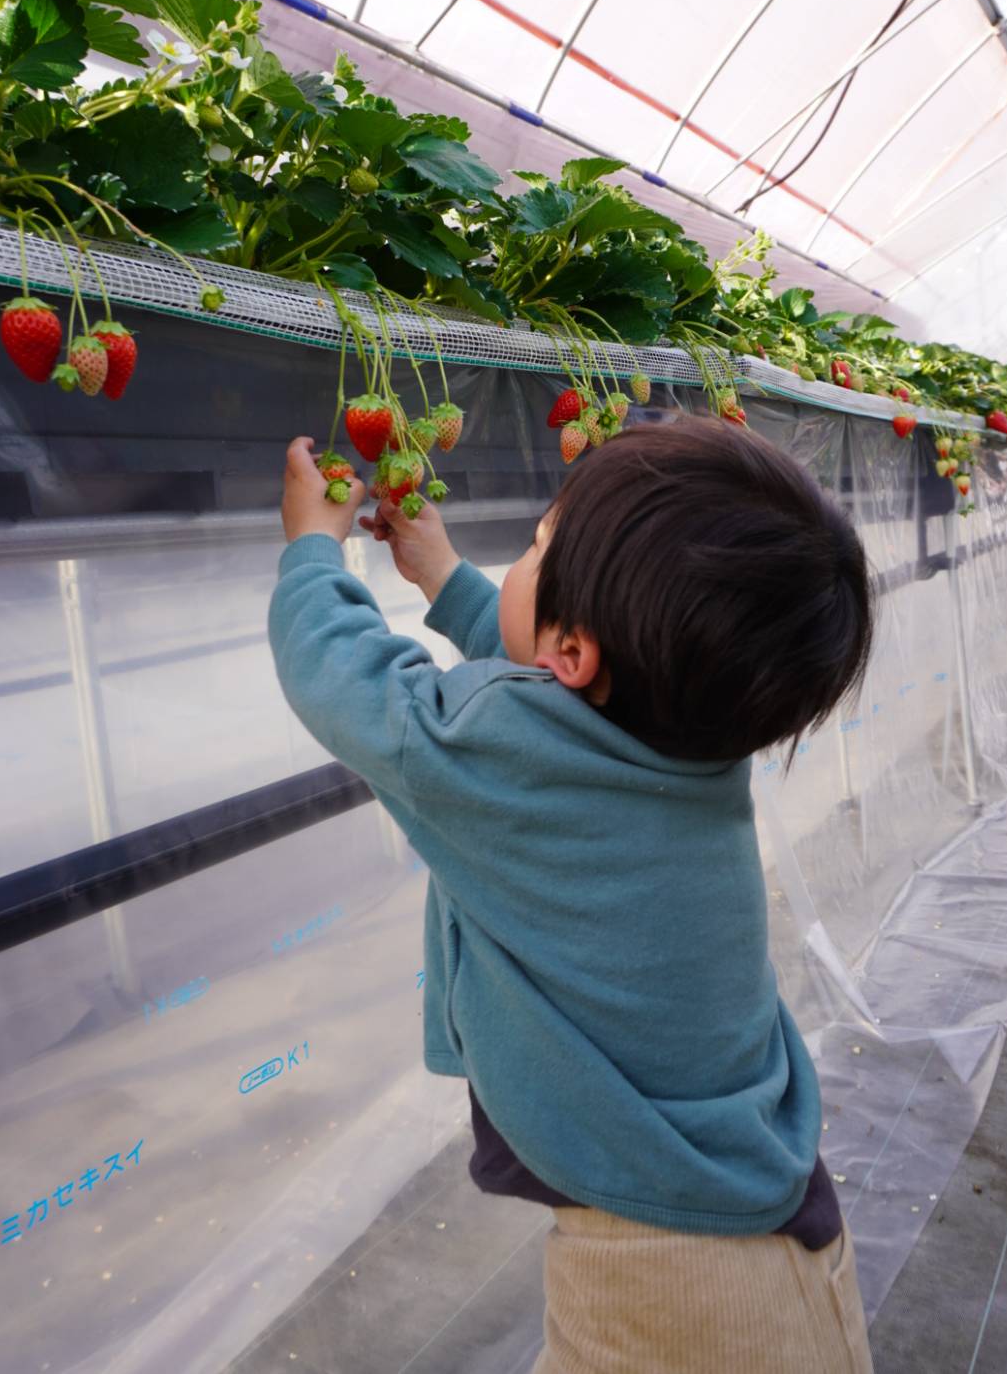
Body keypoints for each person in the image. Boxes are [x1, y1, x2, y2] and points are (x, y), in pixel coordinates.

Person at [269, 417, 875, 1373]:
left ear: (575, 647)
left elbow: (356, 687)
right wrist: (442, 575)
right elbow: (567, 679)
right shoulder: (689, 737)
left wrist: (313, 551)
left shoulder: (511, 755)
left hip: (676, 1285)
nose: (525, 555)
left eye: (536, 544)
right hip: (756, 1231)